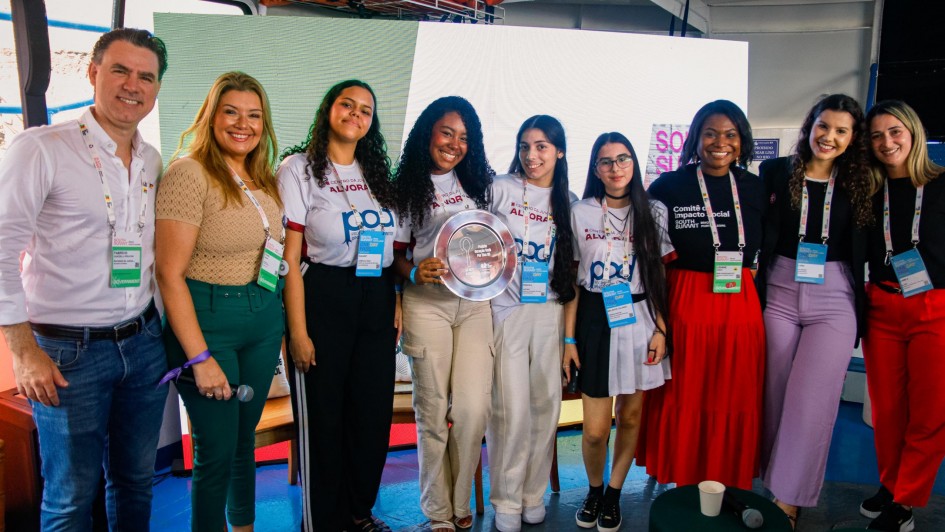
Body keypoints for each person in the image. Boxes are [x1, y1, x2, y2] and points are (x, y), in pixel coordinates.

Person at [0, 28, 168, 530]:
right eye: (120, 70)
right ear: (94, 73)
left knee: (136, 481)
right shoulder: (41, 149)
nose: (132, 85)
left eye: (146, 76)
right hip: (66, 353)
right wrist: (22, 350)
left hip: (142, 344)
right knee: (70, 497)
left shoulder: (151, 159)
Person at [155, 71, 284, 532]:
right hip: (209, 321)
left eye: (253, 115)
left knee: (242, 442)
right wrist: (200, 357)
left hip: (263, 317)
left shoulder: (260, 176)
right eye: (231, 112)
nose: (242, 124)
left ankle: (244, 527)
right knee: (215, 450)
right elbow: (168, 273)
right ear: (211, 117)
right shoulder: (189, 173)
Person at [279, 80, 403, 532]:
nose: (355, 114)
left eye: (365, 110)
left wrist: (396, 300)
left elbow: (394, 250)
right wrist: (297, 332)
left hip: (375, 297)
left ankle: (359, 513)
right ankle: (324, 523)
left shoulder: (378, 177)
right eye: (346, 104)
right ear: (327, 110)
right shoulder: (298, 169)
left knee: (371, 415)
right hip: (322, 297)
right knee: (325, 420)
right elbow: (290, 259)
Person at [755, 94, 873, 528]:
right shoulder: (775, 172)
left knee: (813, 400)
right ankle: (770, 477)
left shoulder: (864, 180)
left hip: (835, 292)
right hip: (780, 289)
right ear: (811, 125)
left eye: (842, 131)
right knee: (774, 392)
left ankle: (788, 500)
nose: (830, 137)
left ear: (853, 138)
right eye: (825, 126)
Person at [636, 100, 766, 490]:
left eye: (730, 134)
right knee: (685, 393)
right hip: (686, 298)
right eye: (710, 133)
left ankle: (727, 475)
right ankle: (685, 477)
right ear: (695, 138)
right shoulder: (668, 186)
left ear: (742, 142)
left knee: (734, 393)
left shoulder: (756, 188)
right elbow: (652, 256)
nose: (719, 142)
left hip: (740, 304)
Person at [390, 96, 495, 532]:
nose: (454, 144)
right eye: (446, 132)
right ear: (428, 133)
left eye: (463, 137)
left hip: (474, 306)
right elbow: (393, 256)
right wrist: (414, 270)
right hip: (426, 305)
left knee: (472, 408)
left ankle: (459, 499)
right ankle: (438, 509)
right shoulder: (404, 188)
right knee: (432, 411)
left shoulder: (479, 185)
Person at [564, 132, 674, 532]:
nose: (615, 168)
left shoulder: (655, 210)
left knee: (629, 418)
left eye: (623, 159)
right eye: (606, 161)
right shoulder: (581, 212)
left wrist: (662, 329)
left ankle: (612, 494)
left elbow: (661, 277)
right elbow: (574, 283)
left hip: (641, 318)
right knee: (594, 431)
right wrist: (569, 339)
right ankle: (593, 488)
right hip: (595, 318)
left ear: (634, 164)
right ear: (596, 169)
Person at [485, 115, 576, 532]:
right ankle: (505, 499)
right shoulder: (500, 188)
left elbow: (571, 274)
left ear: (559, 151)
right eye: (525, 146)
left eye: (541, 146)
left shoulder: (569, 201)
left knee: (545, 407)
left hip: (550, 312)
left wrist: (568, 336)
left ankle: (532, 494)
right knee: (510, 410)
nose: (532, 155)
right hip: (506, 309)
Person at [858, 100, 945, 532]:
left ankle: (906, 500)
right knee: (888, 411)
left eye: (894, 132)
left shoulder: (943, 185)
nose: (886, 142)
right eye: (876, 135)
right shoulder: (870, 193)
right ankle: (891, 485)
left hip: (935, 307)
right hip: (883, 305)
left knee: (929, 412)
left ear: (913, 132)